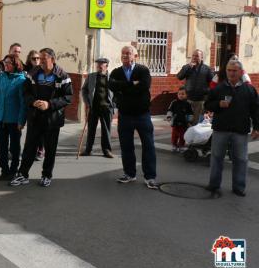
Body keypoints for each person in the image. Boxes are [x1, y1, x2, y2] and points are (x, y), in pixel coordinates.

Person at [10, 48, 73, 187]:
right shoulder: (33, 73)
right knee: (29, 148)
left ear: (53, 59)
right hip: (35, 117)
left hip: (53, 119)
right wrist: (33, 101)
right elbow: (25, 92)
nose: (41, 61)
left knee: (50, 150)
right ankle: (22, 174)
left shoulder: (63, 76)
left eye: (44, 59)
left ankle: (46, 175)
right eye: (40, 58)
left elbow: (67, 97)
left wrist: (49, 104)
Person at [204, 60, 259, 197]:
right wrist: (218, 104)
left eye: (234, 71)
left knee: (240, 159)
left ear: (241, 72)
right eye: (229, 70)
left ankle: (239, 187)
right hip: (221, 129)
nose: (231, 73)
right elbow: (207, 105)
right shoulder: (219, 88)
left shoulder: (249, 89)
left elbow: (256, 110)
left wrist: (257, 127)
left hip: (240, 130)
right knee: (216, 157)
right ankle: (214, 185)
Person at [109, 46, 158, 189]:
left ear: (135, 56)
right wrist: (131, 84)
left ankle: (150, 177)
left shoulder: (143, 70)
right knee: (126, 146)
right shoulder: (116, 72)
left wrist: (123, 89)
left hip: (142, 115)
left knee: (148, 145)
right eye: (123, 53)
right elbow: (112, 85)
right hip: (124, 115)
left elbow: (144, 86)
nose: (125, 55)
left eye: (128, 53)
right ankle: (129, 173)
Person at [0, 55, 26, 180]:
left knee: (15, 147)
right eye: (5, 62)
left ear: (15, 64)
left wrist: (21, 120)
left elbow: (23, 103)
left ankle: (14, 170)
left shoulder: (21, 80)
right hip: (1, 118)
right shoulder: (0, 78)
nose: (6, 65)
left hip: (14, 120)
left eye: (9, 63)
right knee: (2, 146)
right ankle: (4, 170)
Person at [81, 58, 114, 158]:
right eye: (97, 64)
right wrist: (87, 102)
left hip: (107, 108)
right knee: (91, 129)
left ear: (106, 66)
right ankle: (88, 150)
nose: (99, 66)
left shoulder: (112, 78)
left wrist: (114, 105)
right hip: (93, 107)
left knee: (106, 130)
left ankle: (107, 150)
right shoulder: (91, 76)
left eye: (101, 65)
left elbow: (117, 92)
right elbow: (84, 90)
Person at [176, 49, 213, 125]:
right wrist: (187, 68)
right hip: (188, 99)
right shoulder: (187, 67)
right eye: (193, 55)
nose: (194, 57)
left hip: (200, 100)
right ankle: (186, 136)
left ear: (202, 57)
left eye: (197, 56)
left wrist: (208, 95)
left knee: (197, 122)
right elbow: (179, 77)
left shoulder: (207, 69)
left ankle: (195, 136)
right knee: (187, 121)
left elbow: (212, 83)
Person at [166, 87, 194, 153]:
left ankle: (181, 146)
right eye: (179, 94)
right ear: (177, 94)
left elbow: (190, 113)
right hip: (175, 122)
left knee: (182, 136)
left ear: (186, 95)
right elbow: (170, 110)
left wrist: (189, 121)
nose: (181, 95)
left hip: (184, 123)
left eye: (183, 94)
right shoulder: (174, 102)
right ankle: (174, 145)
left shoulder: (188, 104)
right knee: (174, 135)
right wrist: (169, 116)